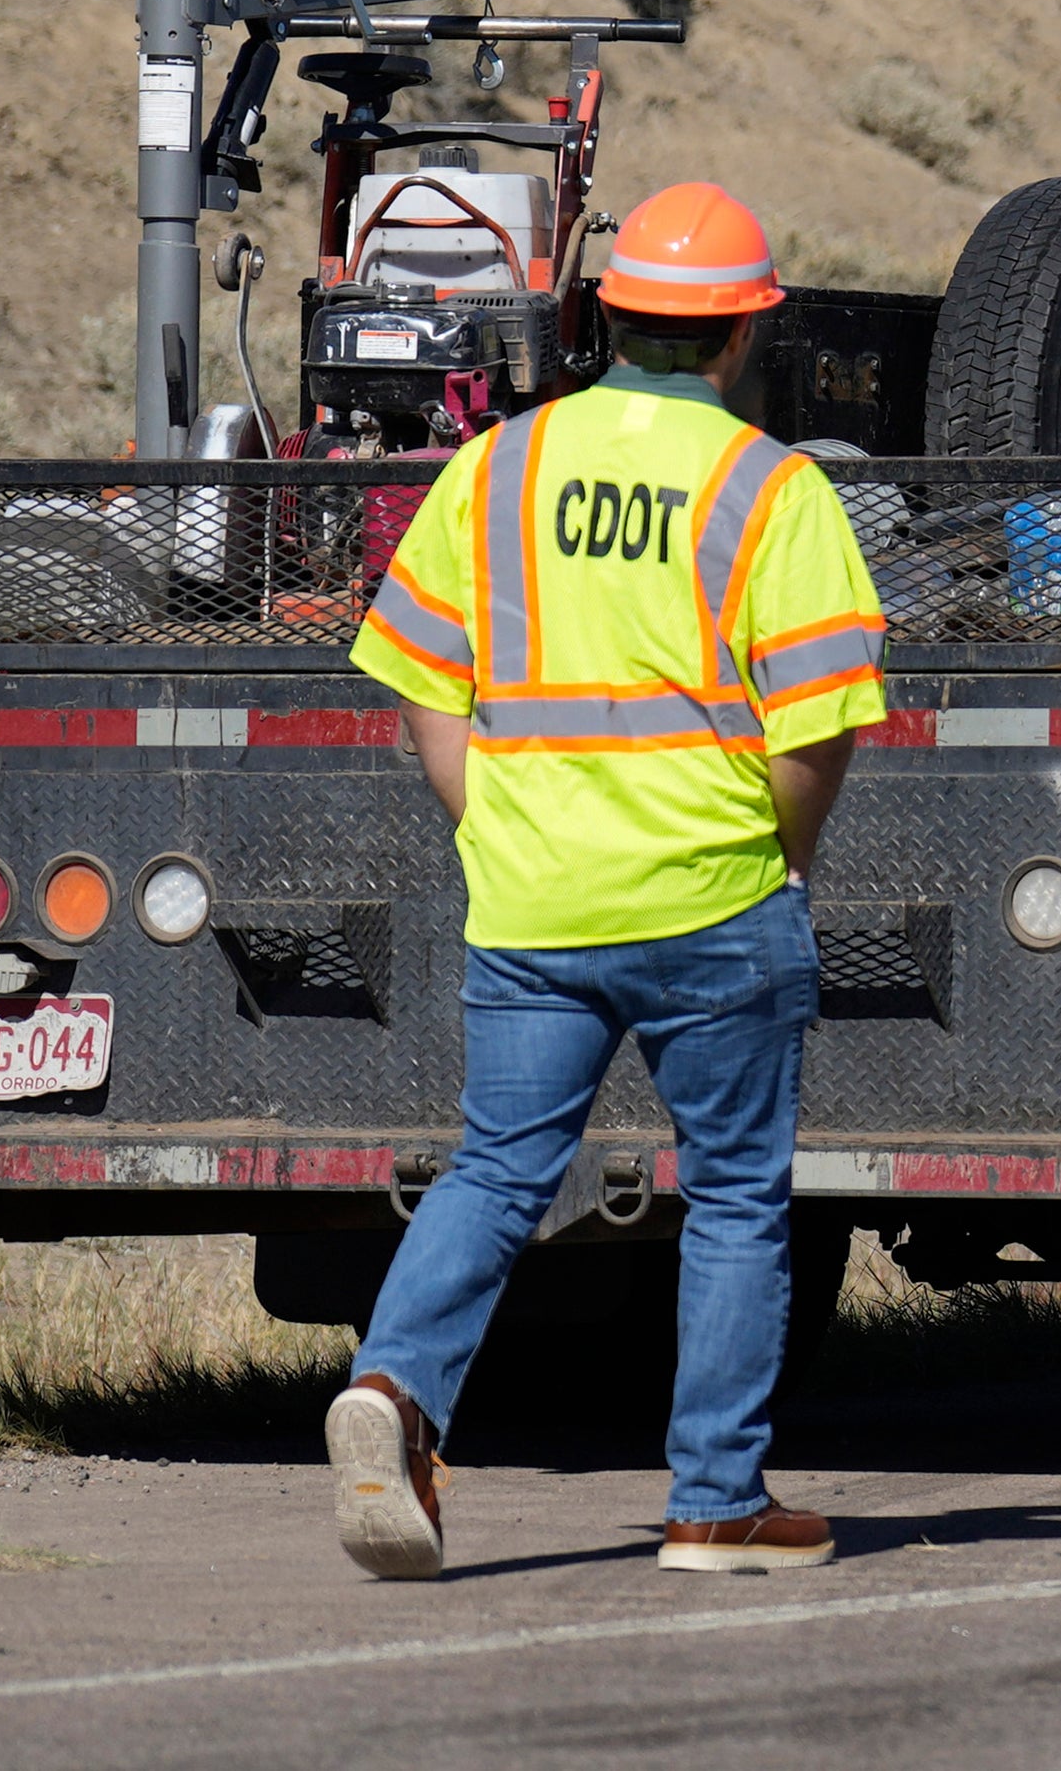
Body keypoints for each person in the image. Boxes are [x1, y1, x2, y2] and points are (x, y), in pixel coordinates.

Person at [321, 182, 887, 1583]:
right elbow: (817, 725)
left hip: (532, 904)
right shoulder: (773, 488)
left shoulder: (497, 467)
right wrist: (780, 867)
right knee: (741, 1196)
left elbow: (419, 687)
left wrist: (498, 826)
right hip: (713, 897)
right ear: (745, 334)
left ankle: (393, 1389)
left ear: (605, 314)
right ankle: (713, 1505)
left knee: (501, 1166)